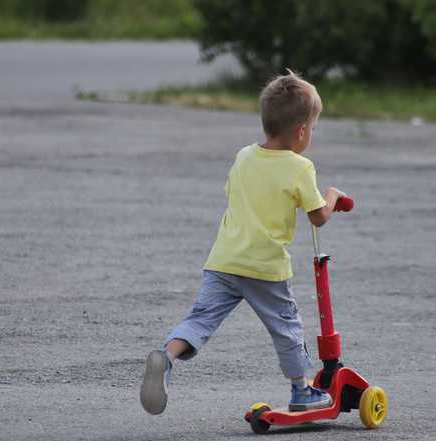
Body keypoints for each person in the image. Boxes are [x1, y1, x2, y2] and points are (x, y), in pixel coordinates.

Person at [140, 70, 347, 415]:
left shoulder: (244, 156)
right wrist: (332, 196)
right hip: (264, 266)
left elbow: (234, 193)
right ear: (300, 132)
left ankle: (168, 356)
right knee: (286, 326)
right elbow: (317, 217)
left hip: (224, 260)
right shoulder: (300, 167)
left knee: (201, 318)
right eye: (312, 128)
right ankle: (302, 390)